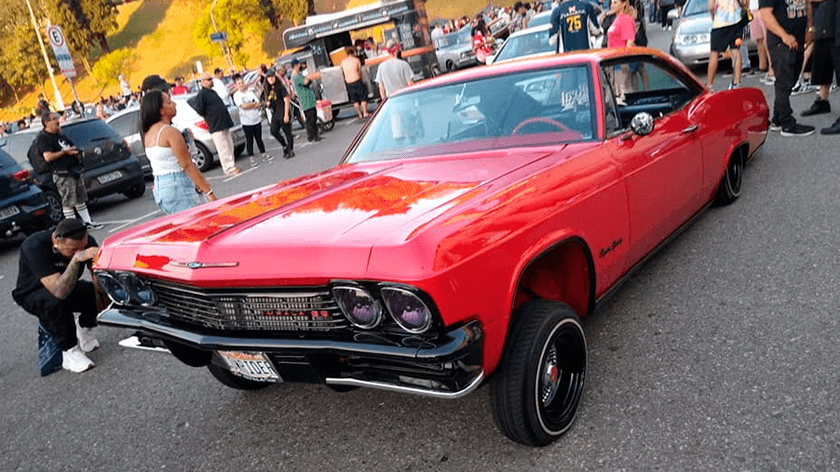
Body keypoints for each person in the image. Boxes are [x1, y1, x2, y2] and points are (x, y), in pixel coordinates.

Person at [12, 219, 100, 373]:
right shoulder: (34, 245)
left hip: (65, 284)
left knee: (93, 291)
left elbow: (99, 276)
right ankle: (70, 352)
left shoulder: (86, 242)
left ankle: (84, 327)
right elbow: (59, 291)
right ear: (56, 241)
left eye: (81, 248)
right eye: (71, 250)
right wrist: (76, 259)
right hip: (32, 293)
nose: (78, 251)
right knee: (56, 303)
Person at [140, 90, 218, 214]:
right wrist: (208, 192)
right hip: (178, 185)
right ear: (161, 110)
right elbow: (186, 164)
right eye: (169, 102)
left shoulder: (148, 133)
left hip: (161, 187)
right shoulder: (169, 132)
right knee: (196, 225)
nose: (174, 104)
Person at [30, 112, 103, 229]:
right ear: (46, 123)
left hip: (74, 171)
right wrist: (65, 152)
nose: (57, 121)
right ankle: (72, 227)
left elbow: (70, 146)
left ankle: (87, 222)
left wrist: (76, 152)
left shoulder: (60, 135)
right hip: (62, 174)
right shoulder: (43, 138)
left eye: (57, 118)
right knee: (68, 201)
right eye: (54, 119)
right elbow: (48, 157)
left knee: (80, 199)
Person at [759, 0, 815, 136]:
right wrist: (784, 36)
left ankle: (777, 119)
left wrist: (810, 27)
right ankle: (787, 123)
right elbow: (765, 14)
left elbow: (807, 4)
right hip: (781, 42)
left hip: (798, 39)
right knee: (784, 82)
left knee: (791, 79)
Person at [194, 71, 240, 175]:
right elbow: (199, 109)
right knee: (223, 148)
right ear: (203, 82)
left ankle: (231, 165)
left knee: (229, 145)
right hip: (215, 125)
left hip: (223, 123)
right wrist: (208, 116)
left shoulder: (213, 92)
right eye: (209, 80)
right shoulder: (202, 95)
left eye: (211, 79)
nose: (211, 81)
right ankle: (228, 168)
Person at [232, 73, 272, 166]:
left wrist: (252, 105)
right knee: (250, 140)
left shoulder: (250, 93)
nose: (241, 85)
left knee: (259, 138)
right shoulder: (237, 95)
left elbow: (259, 103)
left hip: (256, 119)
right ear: (236, 85)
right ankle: (251, 157)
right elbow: (244, 106)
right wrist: (252, 104)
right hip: (247, 122)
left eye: (242, 83)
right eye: (239, 84)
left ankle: (263, 154)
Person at [706, 0, 747, 90]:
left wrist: (713, 16)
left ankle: (709, 85)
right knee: (735, 51)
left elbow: (711, 6)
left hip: (720, 22)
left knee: (714, 53)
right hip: (736, 20)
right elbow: (745, 2)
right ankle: (737, 82)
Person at [290, 58, 322, 143]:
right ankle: (311, 136)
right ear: (295, 66)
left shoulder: (299, 74)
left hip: (310, 99)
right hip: (305, 101)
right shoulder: (295, 77)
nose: (300, 66)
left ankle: (316, 135)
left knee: (314, 117)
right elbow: (304, 82)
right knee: (310, 119)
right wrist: (309, 77)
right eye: (298, 64)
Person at [265, 70, 294, 158]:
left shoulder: (280, 87)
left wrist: (286, 114)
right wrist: (267, 103)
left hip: (283, 111)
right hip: (275, 113)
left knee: (287, 132)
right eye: (268, 78)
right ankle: (284, 145)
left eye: (272, 77)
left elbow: (286, 100)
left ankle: (290, 149)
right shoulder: (268, 89)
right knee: (273, 131)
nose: (270, 79)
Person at [341, 46, 370, 119]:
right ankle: (365, 112)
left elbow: (343, 73)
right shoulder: (356, 60)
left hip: (349, 83)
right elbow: (359, 71)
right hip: (357, 80)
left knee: (355, 100)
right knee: (363, 98)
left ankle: (359, 114)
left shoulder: (343, 62)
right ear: (353, 52)